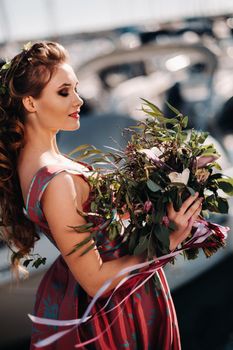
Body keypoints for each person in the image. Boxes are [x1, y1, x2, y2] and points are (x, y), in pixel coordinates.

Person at [0, 41, 202, 350]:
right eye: (64, 92)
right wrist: (168, 243)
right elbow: (94, 280)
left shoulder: (35, 163)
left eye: (76, 89)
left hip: (116, 298)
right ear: (30, 103)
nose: (78, 100)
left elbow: (95, 221)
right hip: (118, 313)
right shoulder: (56, 180)